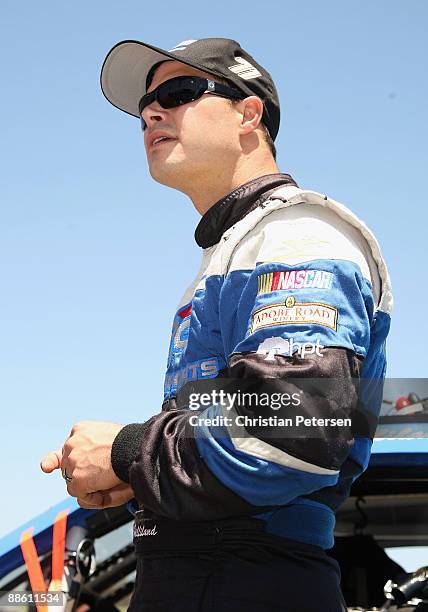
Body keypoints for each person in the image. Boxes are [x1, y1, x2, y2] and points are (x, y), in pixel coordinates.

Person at [41, 37, 393, 611]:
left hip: (244, 577)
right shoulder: (235, 251)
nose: (151, 113)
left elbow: (294, 428)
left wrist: (128, 452)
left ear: (248, 114)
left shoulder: (294, 235)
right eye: (143, 108)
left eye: (177, 92)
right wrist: (145, 482)